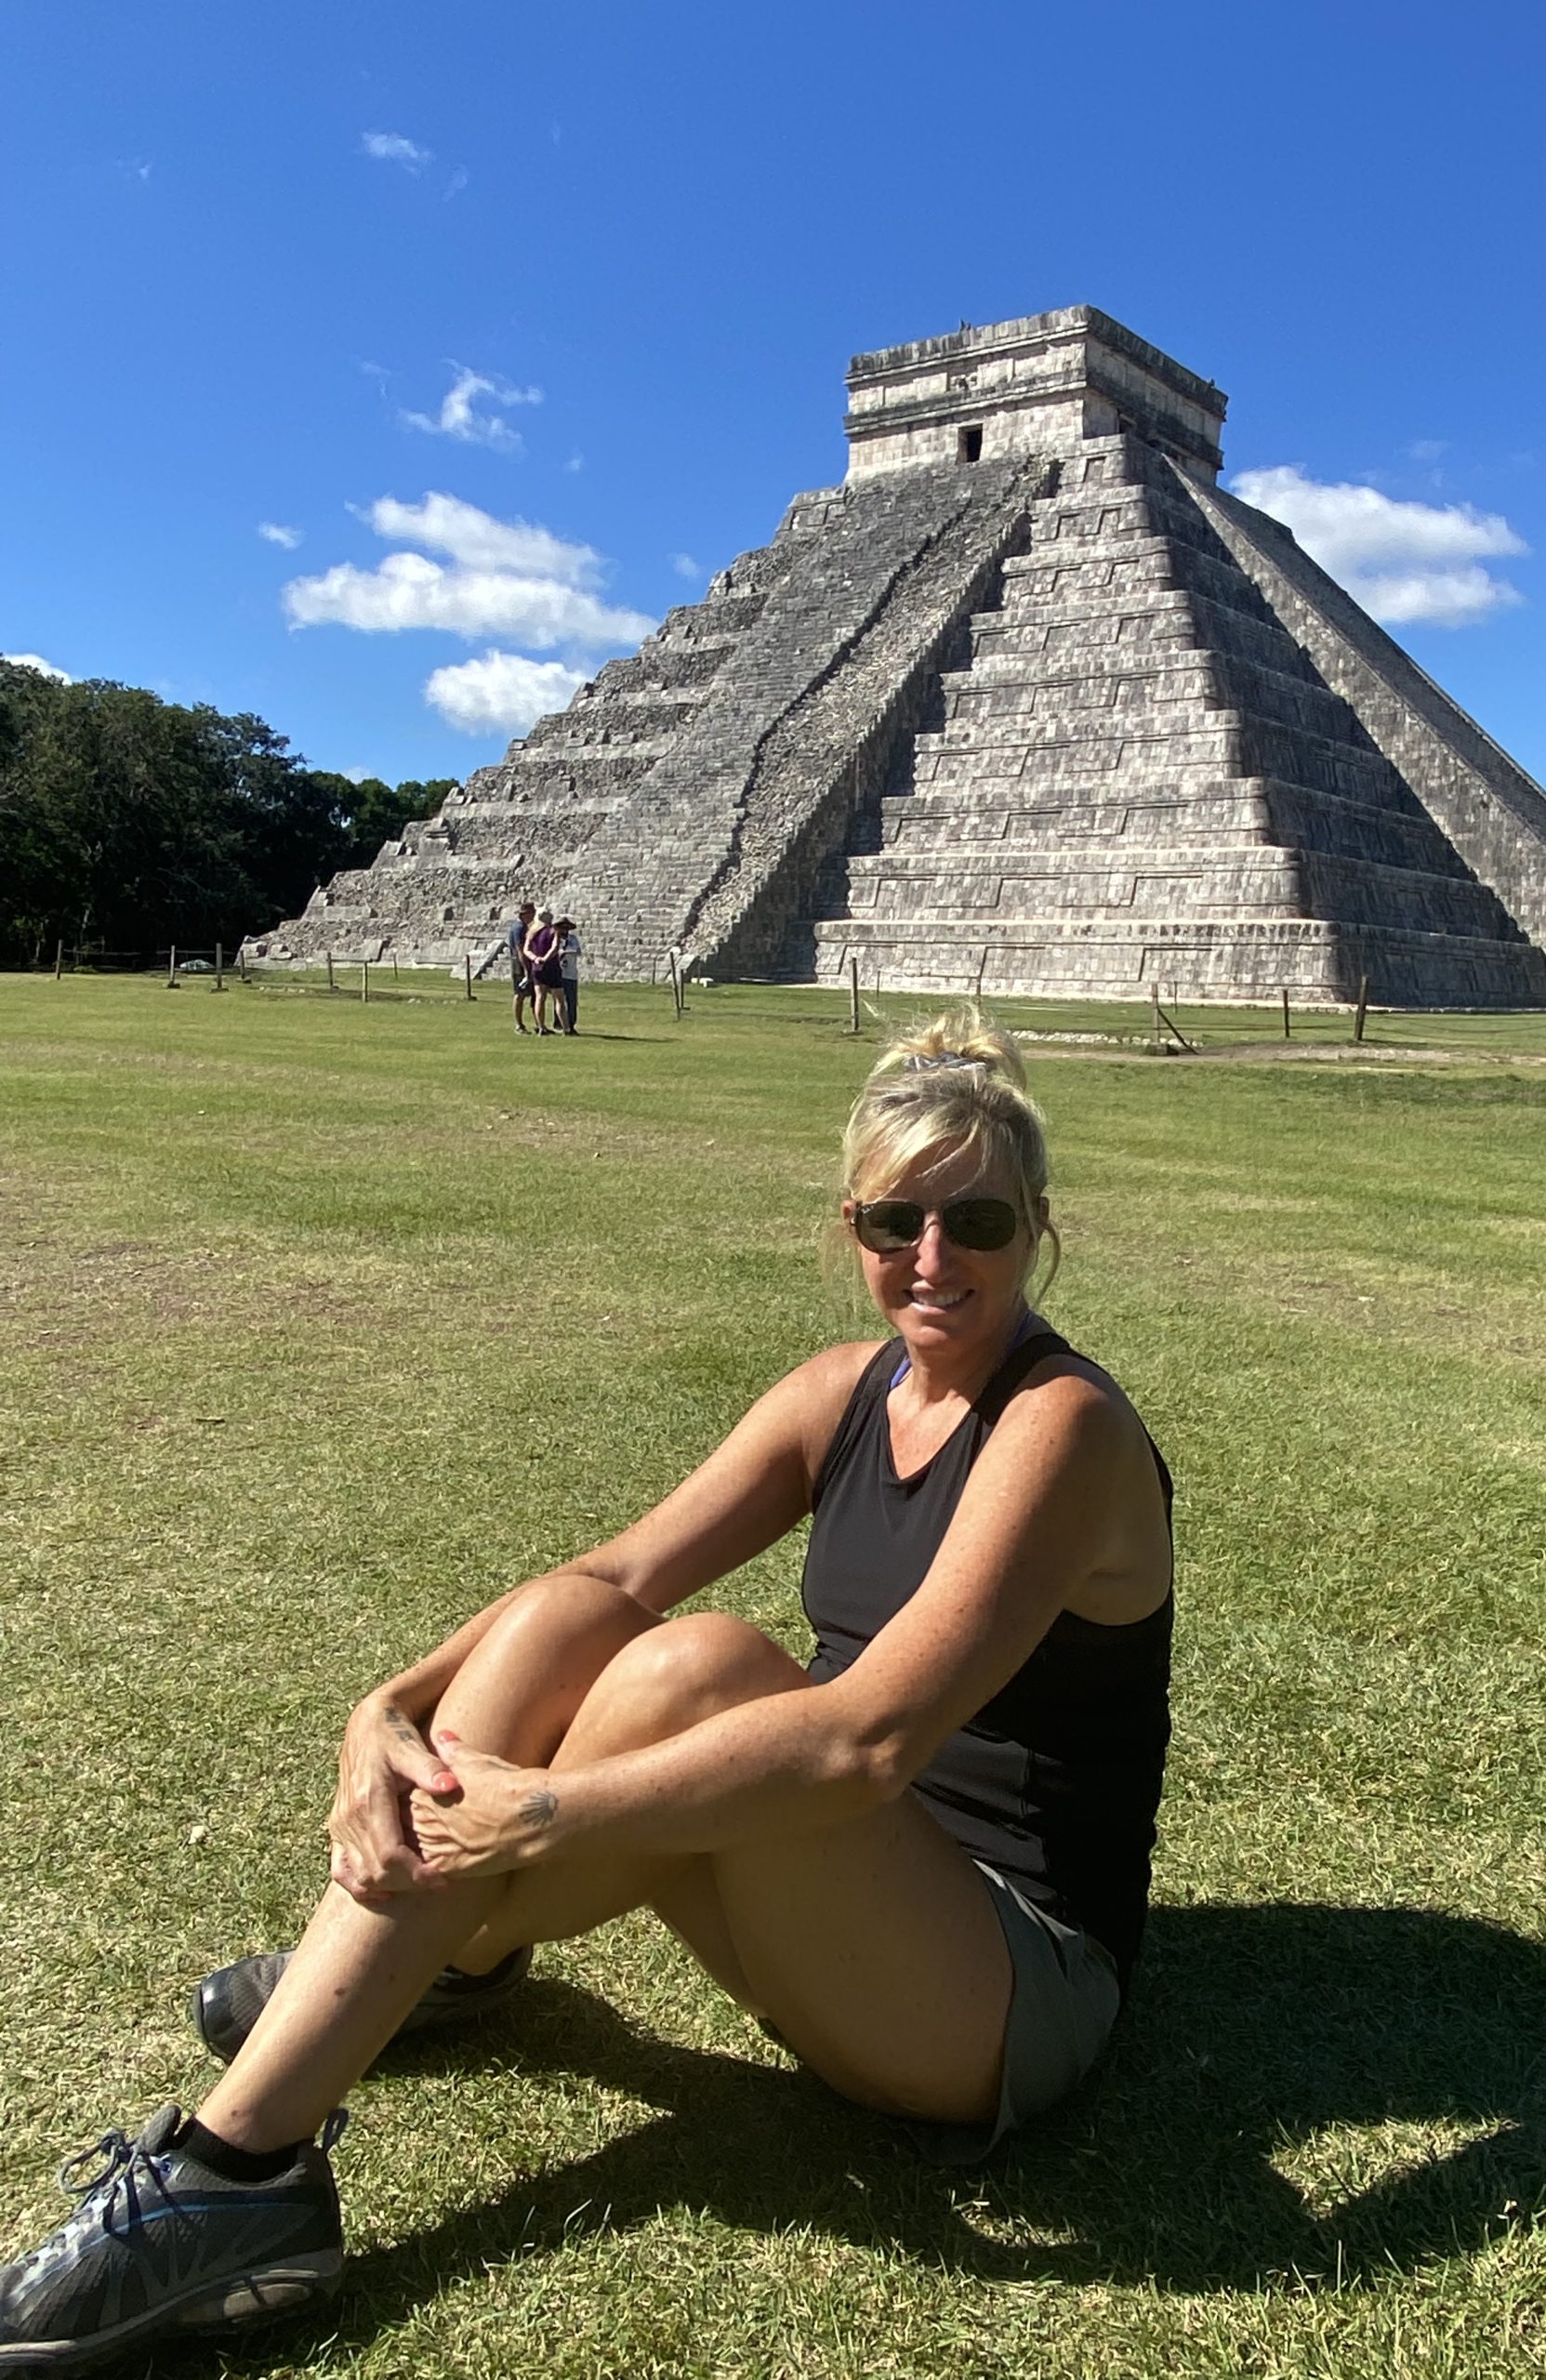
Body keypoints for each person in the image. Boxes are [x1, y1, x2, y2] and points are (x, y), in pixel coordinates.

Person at [0, 1012, 1175, 2367]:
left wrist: (548, 1816)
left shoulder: (1066, 1425)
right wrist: (383, 1702)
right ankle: (403, 1993)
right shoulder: (837, 1394)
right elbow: (608, 1578)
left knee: (702, 1668)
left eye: (976, 1219)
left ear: (1038, 1224)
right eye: (892, 1220)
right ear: (847, 1228)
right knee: (584, 1615)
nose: (932, 1259)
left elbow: (865, 1746)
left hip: (1003, 1983)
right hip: (828, 1893)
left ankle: (261, 2136)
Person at [525, 908, 564, 1035]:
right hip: (551, 967)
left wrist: (535, 959)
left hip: (537, 968)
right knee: (558, 999)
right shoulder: (553, 931)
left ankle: (541, 1026)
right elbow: (555, 947)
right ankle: (566, 1027)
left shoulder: (531, 932)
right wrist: (545, 959)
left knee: (539, 998)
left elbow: (526, 950)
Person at [507, 903, 536, 1037]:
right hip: (519, 963)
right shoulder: (519, 928)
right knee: (520, 994)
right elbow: (520, 949)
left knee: (531, 994)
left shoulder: (520, 926)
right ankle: (519, 1024)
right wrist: (526, 969)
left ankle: (537, 1023)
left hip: (520, 962)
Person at [559, 918, 583, 1035]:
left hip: (571, 974)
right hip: (559, 973)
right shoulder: (555, 939)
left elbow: (578, 952)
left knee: (572, 1001)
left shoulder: (572, 939)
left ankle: (571, 1024)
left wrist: (566, 952)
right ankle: (559, 1023)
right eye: (563, 927)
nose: (565, 930)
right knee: (559, 1001)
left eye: (566, 928)